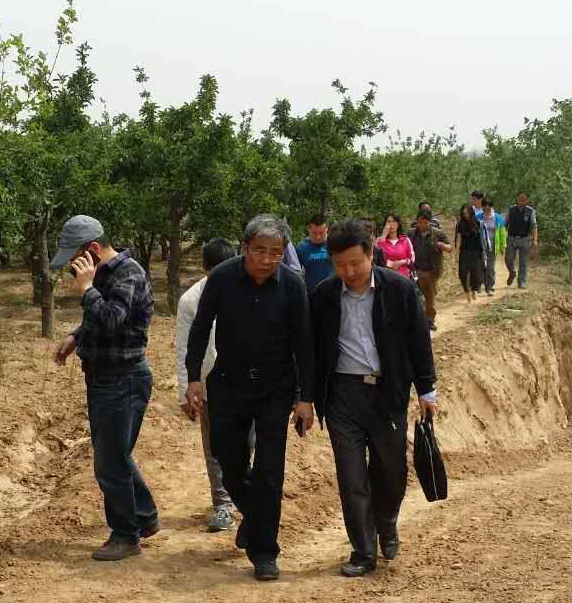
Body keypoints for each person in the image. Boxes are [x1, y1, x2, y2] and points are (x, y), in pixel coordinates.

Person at [185, 214, 317, 582]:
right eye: (260, 250)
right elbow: (200, 329)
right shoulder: (222, 278)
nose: (267, 259)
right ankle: (256, 518)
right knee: (228, 461)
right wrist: (193, 379)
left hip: (275, 389)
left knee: (270, 471)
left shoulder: (293, 285)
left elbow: (305, 344)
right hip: (228, 384)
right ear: (244, 247)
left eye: (276, 253)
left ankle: (265, 552)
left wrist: (305, 397)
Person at [310, 218, 439, 577]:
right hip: (342, 395)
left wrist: (426, 389)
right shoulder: (322, 296)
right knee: (351, 476)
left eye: (355, 263)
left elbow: (418, 341)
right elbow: (311, 350)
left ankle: (387, 522)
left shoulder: (399, 289)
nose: (349, 272)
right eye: (340, 265)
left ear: (371, 254)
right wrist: (305, 396)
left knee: (391, 472)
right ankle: (363, 551)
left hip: (387, 392)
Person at [51, 215, 158, 562]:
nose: (72, 267)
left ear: (94, 249)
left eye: (74, 259)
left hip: (122, 379)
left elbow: (112, 319)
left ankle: (126, 535)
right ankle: (143, 516)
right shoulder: (102, 274)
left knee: (109, 462)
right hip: (103, 378)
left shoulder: (129, 274)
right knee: (114, 453)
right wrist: (76, 336)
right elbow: (97, 320)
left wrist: (86, 289)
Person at [176, 237, 248, 533]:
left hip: (247, 383)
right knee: (215, 447)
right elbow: (184, 347)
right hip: (209, 384)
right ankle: (223, 505)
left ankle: (246, 496)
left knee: (247, 443)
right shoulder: (191, 300)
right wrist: (186, 390)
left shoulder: (249, 290)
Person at [408, 209, 452, 330]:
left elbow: (449, 247)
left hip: (432, 271)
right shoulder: (411, 233)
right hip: (416, 270)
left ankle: (429, 320)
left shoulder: (438, 233)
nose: (422, 225)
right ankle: (419, 320)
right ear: (417, 221)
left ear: (430, 222)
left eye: (425, 222)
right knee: (417, 296)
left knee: (430, 296)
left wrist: (443, 246)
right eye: (420, 222)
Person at [505, 191, 539, 288]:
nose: (522, 201)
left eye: (524, 199)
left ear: (527, 200)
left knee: (523, 262)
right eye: (520, 199)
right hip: (511, 238)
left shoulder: (530, 211)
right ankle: (512, 272)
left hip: (525, 239)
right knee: (508, 259)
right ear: (517, 199)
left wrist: (535, 239)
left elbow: (534, 226)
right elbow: (505, 224)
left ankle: (522, 282)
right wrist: (502, 237)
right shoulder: (511, 209)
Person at [295, 214, 334, 291]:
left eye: (321, 233)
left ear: (327, 229)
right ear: (308, 229)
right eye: (314, 233)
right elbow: (295, 273)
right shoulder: (301, 248)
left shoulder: (334, 243)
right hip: (311, 292)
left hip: (334, 290)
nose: (318, 237)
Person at [454, 204, 484, 302]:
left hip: (476, 252)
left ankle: (474, 291)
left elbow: (482, 238)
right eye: (464, 213)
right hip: (464, 252)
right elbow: (459, 239)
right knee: (462, 274)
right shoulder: (460, 224)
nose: (466, 215)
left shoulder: (478, 223)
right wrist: (456, 253)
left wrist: (483, 251)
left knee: (475, 273)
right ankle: (467, 293)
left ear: (471, 212)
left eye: (467, 213)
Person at [375, 213, 415, 278]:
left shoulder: (405, 240)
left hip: (404, 277)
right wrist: (383, 236)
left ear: (398, 224)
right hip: (386, 277)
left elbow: (412, 259)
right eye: (388, 221)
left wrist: (402, 262)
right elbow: (377, 258)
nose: (391, 224)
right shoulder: (380, 240)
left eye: (393, 221)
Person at [478, 198, 501, 295]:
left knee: (490, 267)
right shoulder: (477, 217)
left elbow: (502, 233)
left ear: (492, 207)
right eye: (484, 208)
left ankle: (490, 287)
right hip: (480, 244)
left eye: (488, 208)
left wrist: (502, 246)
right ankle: (480, 283)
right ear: (482, 207)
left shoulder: (498, 217)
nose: (486, 210)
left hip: (492, 244)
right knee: (481, 265)